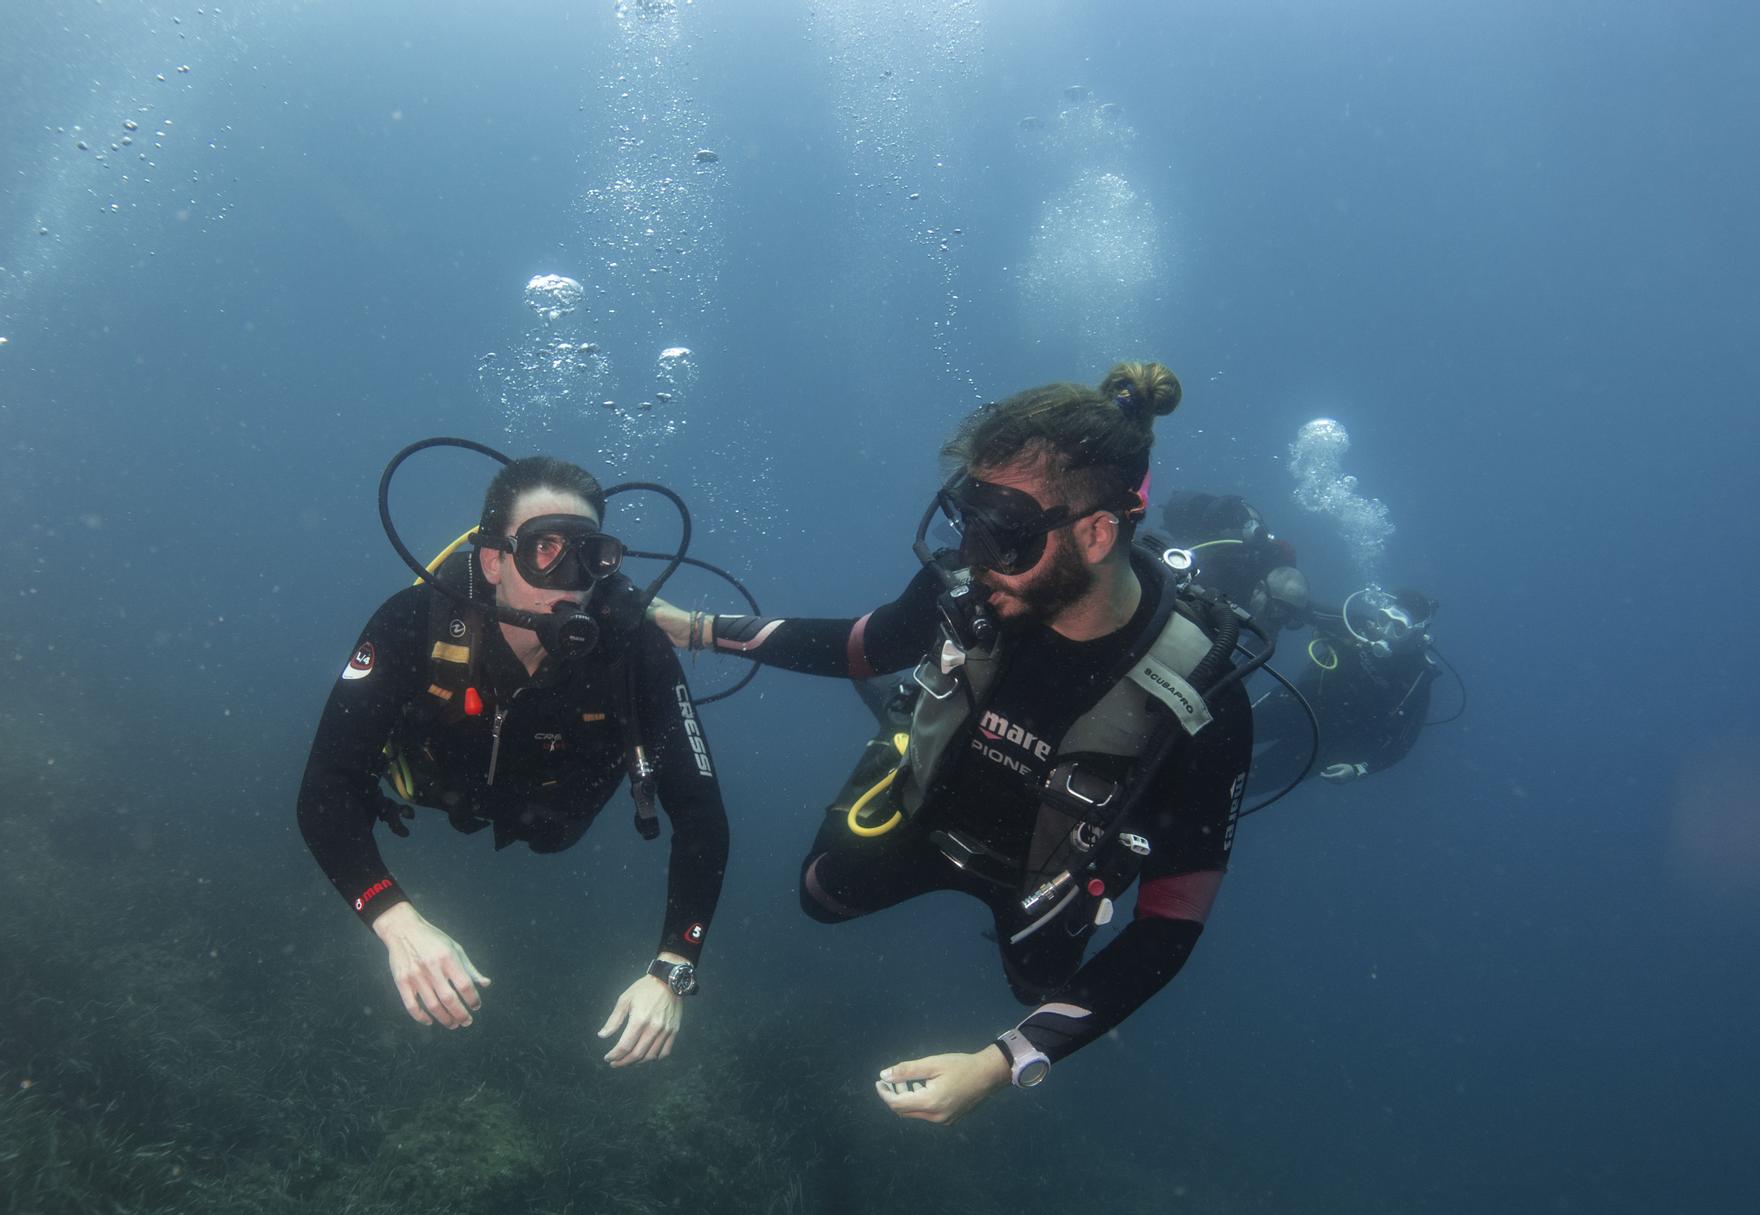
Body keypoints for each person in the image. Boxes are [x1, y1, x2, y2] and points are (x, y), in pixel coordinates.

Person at [653, 364, 1254, 1124]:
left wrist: (997, 1065)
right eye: (965, 520)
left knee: (1038, 986)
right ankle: (907, 739)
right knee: (819, 896)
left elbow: (1170, 926)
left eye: (1002, 533)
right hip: (923, 809)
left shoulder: (1205, 700)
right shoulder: (973, 587)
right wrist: (695, 629)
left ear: (1098, 532)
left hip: (1041, 878)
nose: (971, 556)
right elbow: (862, 647)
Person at [296, 455, 729, 1068]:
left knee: (552, 835)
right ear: (494, 559)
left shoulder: (635, 650)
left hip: (552, 817)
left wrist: (674, 966)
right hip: (433, 788)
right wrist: (395, 921)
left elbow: (701, 812)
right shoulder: (412, 622)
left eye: (590, 554)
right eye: (544, 548)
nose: (569, 576)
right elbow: (325, 787)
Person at [1248, 586, 1440, 793]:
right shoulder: (1359, 626)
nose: (1386, 631)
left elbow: (1401, 745)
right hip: (1297, 703)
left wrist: (1358, 770)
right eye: (1384, 620)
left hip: (1326, 744)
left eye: (1399, 628)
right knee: (1225, 732)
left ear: (1416, 633)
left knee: (1248, 784)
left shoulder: (1417, 677)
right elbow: (1306, 610)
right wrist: (1272, 599)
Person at [1160, 490, 1307, 634]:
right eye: (1274, 612)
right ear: (1260, 588)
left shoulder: (1275, 577)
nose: (1273, 619)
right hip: (1191, 551)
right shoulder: (1221, 569)